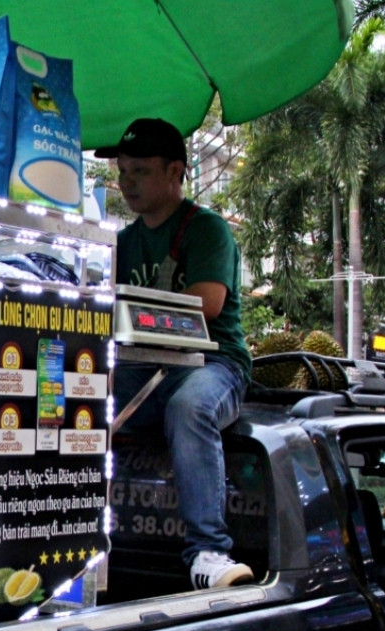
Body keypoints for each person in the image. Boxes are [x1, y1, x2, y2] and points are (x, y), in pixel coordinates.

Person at [98, 117, 254, 590]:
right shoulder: (119, 243)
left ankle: (208, 550)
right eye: (123, 171)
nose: (127, 182)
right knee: (75, 398)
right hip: (143, 367)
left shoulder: (207, 230)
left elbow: (207, 303)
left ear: (175, 172)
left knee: (190, 408)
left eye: (140, 171)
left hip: (213, 365)